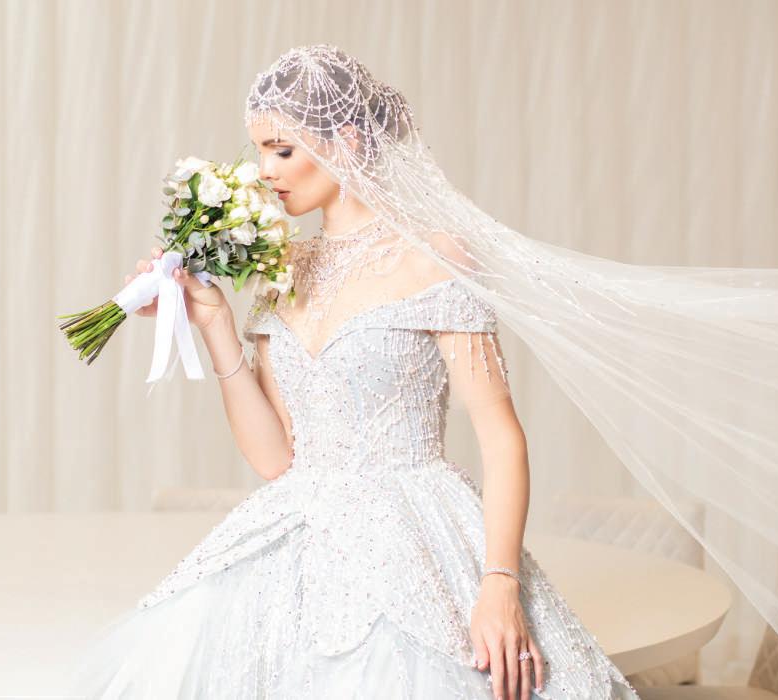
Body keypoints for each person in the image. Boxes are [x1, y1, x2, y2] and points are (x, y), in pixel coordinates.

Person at [65, 50, 639, 700]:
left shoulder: (435, 257)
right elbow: (277, 459)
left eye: (282, 150)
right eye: (260, 151)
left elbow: (501, 437)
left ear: (347, 140)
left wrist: (499, 584)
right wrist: (214, 322)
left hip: (417, 531)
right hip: (298, 536)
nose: (264, 171)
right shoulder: (283, 267)